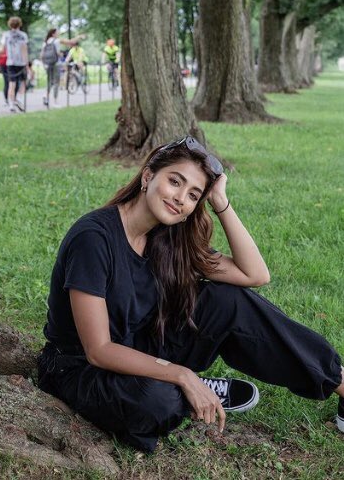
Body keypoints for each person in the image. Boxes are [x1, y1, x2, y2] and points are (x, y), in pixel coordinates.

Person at [38, 136, 343, 453]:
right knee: (158, 402)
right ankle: (180, 387)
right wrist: (182, 375)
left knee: (229, 301)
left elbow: (255, 275)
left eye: (193, 194)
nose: (180, 198)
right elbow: (98, 350)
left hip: (141, 342)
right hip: (79, 369)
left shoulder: (168, 238)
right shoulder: (94, 238)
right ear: (147, 177)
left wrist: (221, 202)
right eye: (175, 181)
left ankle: (340, 382)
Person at [41, 29, 86, 108]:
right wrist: (79, 37)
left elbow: (42, 54)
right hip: (56, 63)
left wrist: (44, 63)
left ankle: (46, 96)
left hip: (47, 64)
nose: (58, 33)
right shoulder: (57, 41)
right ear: (53, 34)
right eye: (57, 32)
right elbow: (71, 42)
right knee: (56, 82)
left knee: (49, 81)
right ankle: (55, 101)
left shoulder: (45, 42)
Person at [0, 16, 28, 113]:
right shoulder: (23, 35)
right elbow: (24, 50)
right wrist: (26, 64)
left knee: (11, 84)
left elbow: (2, 49)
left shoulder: (6, 35)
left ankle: (11, 104)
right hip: (21, 63)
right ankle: (18, 99)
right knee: (21, 83)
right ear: (19, 24)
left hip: (10, 62)